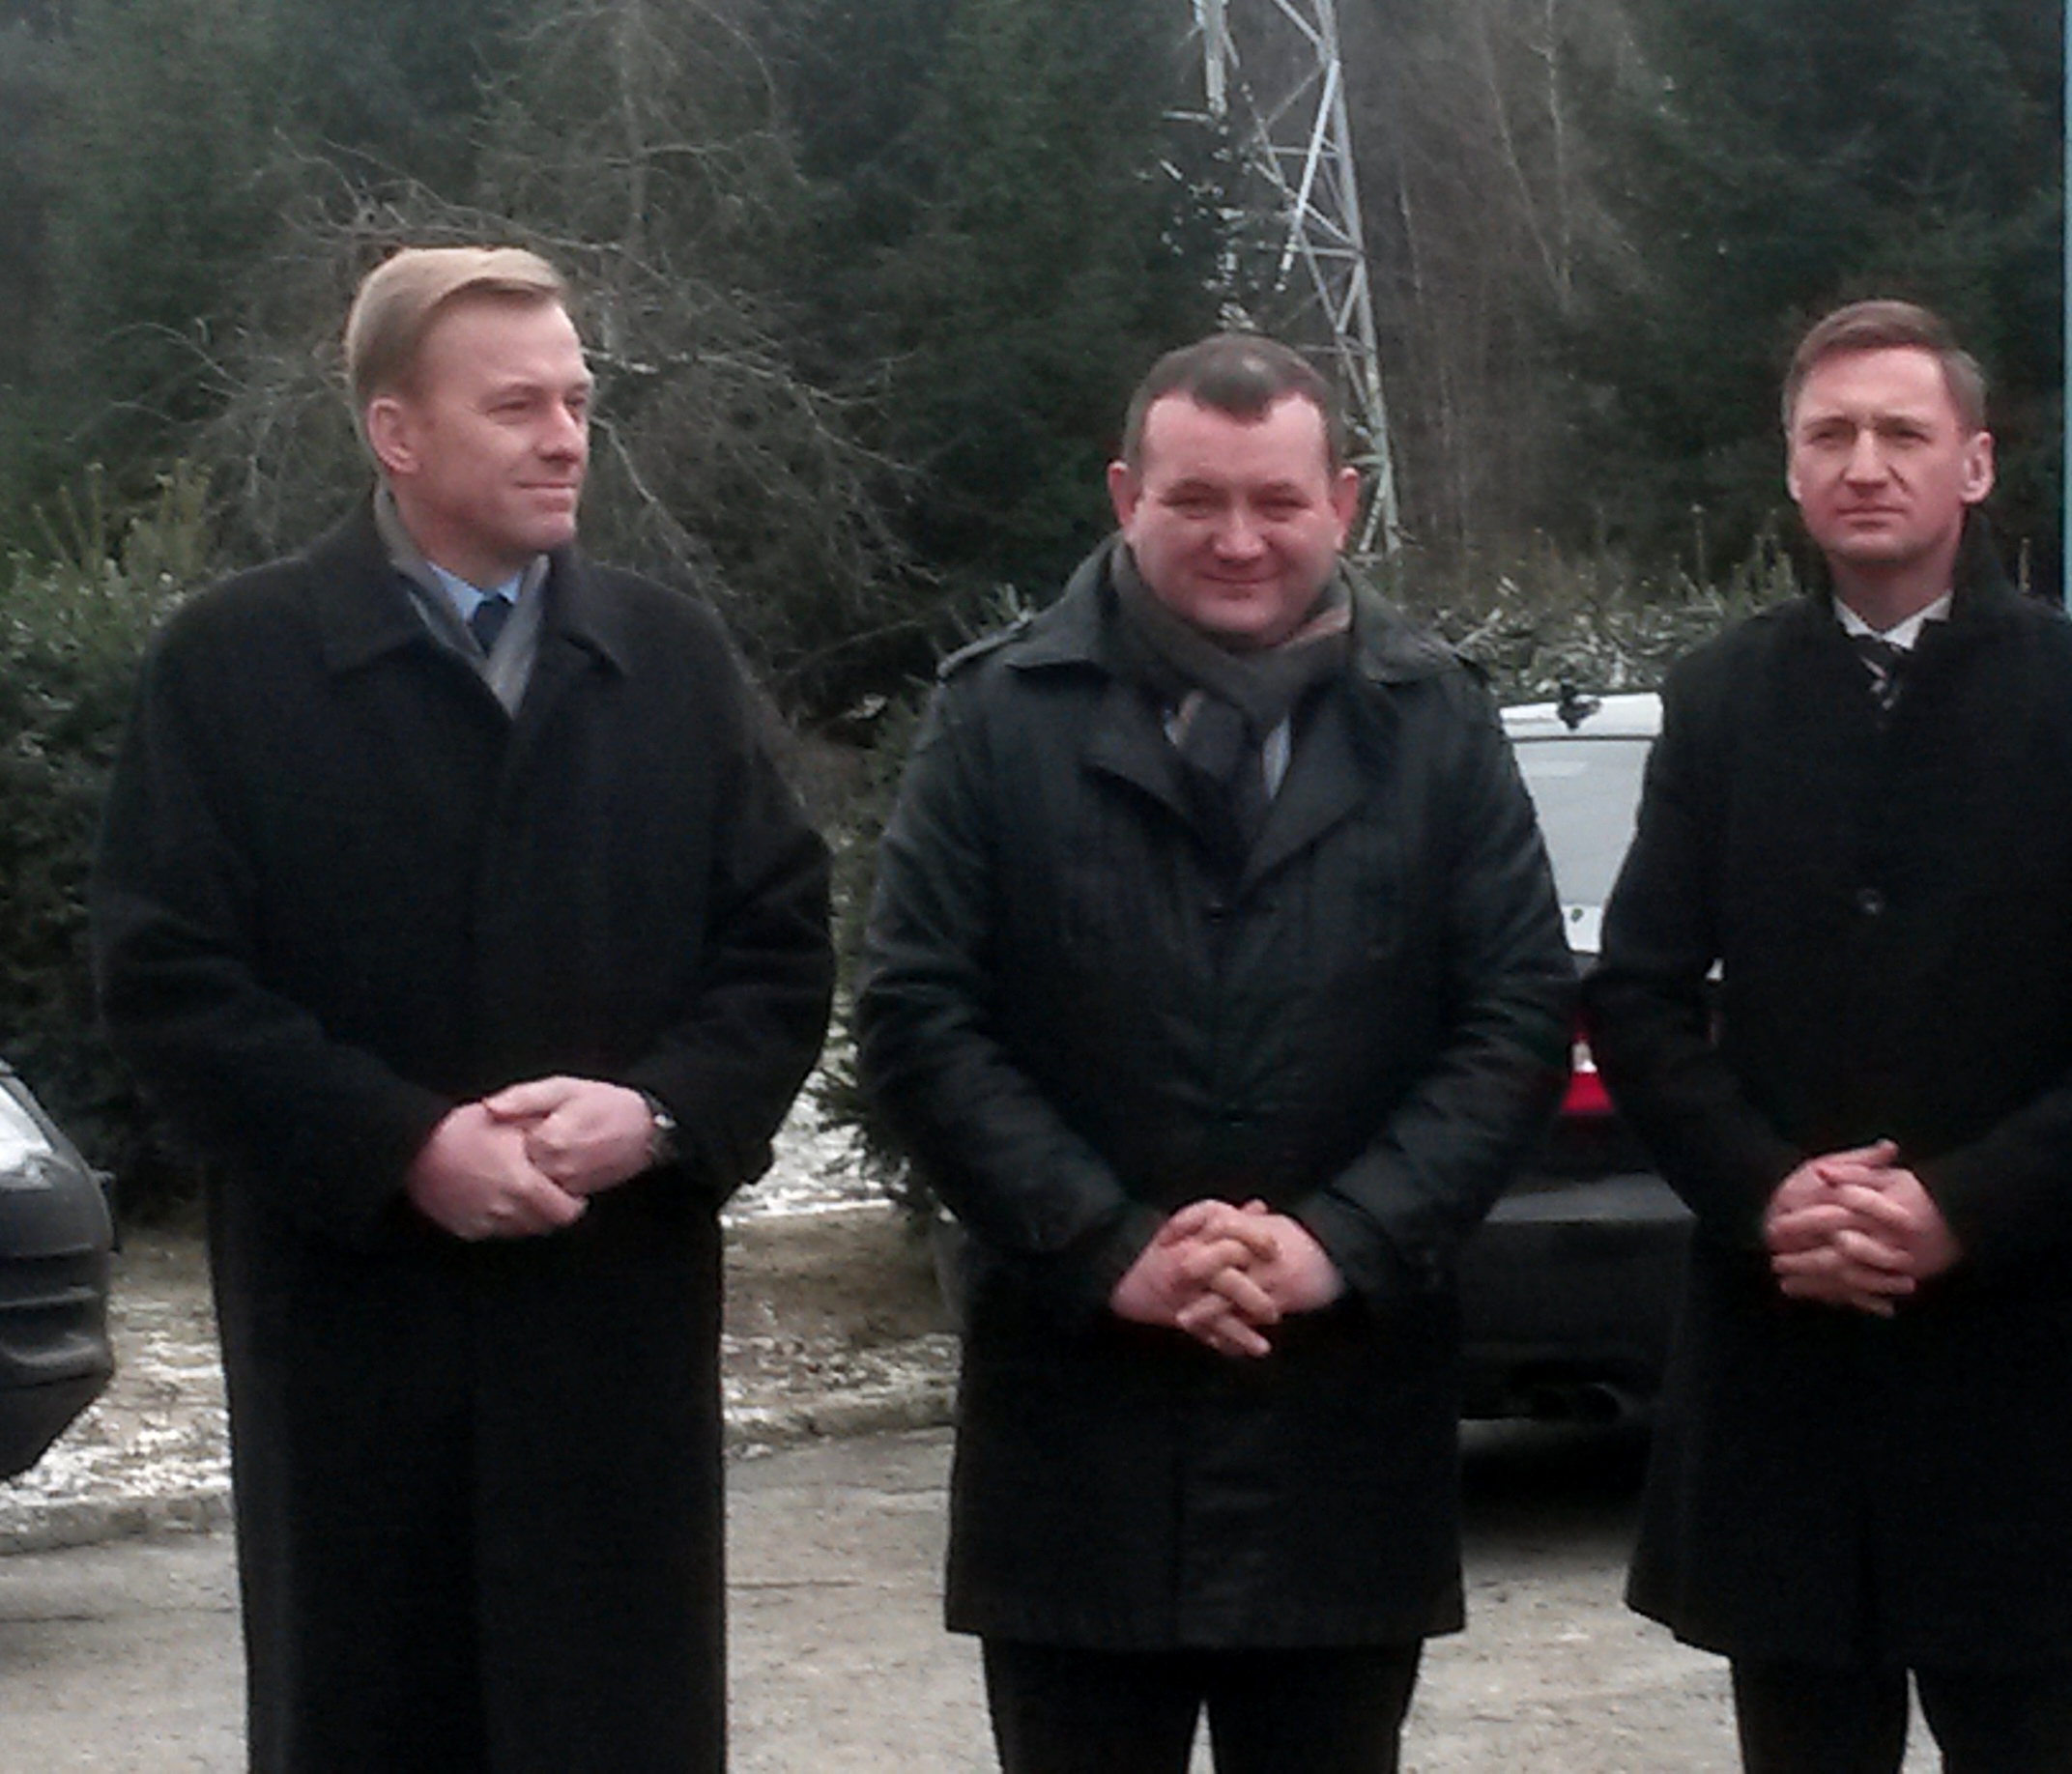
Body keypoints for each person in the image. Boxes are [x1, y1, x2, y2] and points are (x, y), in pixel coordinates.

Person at [93, 245, 835, 1771]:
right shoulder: (232, 668)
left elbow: (777, 951)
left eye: (578, 401)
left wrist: (660, 1112)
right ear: (396, 433)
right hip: (355, 1351)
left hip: (609, 1342)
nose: (565, 439)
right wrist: (402, 1147)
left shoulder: (669, 661)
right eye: (517, 407)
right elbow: (168, 981)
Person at [851, 332, 1573, 1774]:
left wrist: (1338, 1243)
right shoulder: (998, 717)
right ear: (1127, 495)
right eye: (1195, 500)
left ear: (1343, 503)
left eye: (1277, 501)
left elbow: (1514, 1021)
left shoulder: (1437, 723)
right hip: (1077, 1431)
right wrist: (1108, 1245)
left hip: (1340, 1425)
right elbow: (918, 1012)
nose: (1239, 540)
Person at [1584, 299, 2072, 1772]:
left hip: (2022, 1368)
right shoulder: (1721, 701)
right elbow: (1640, 995)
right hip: (1785, 1363)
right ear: (1791, 467)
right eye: (1831, 434)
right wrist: (1767, 1194)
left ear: (1975, 464)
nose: (1864, 463)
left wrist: (1960, 1208)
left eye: (1901, 433)